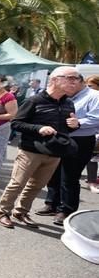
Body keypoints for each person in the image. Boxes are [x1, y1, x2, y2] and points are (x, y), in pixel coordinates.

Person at [0, 66, 79, 229]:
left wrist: (74, 125)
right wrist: (38, 128)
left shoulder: (69, 103)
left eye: (76, 79)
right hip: (30, 151)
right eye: (70, 78)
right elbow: (16, 123)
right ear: (55, 80)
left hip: (54, 152)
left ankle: (21, 212)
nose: (75, 82)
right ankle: (3, 212)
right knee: (17, 183)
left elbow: (65, 129)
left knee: (37, 185)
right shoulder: (35, 100)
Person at [37, 71, 99, 224]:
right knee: (53, 172)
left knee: (69, 176)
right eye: (65, 80)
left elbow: (96, 118)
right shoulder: (65, 95)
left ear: (80, 81)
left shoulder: (94, 96)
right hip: (60, 138)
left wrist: (79, 123)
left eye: (71, 80)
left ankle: (66, 210)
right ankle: (51, 204)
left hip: (81, 140)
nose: (67, 84)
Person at [85, 75, 99, 193]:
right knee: (92, 158)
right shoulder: (87, 97)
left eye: (90, 86)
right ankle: (92, 182)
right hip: (92, 133)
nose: (87, 88)